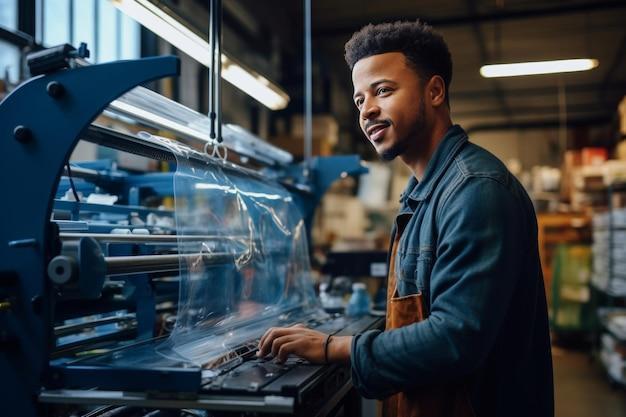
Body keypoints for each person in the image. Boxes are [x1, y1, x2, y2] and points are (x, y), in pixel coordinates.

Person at [257, 20, 553, 417]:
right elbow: (420, 319)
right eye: (360, 99)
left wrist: (334, 348)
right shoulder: (424, 193)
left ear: (434, 91)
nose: (368, 110)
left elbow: (454, 339)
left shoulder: (477, 191)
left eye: (383, 90)